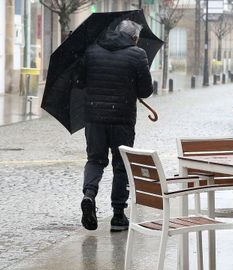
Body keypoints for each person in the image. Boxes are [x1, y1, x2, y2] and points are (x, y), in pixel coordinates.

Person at [80, 20, 153, 231]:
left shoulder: (92, 50)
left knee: (95, 160)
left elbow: (79, 81)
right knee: (121, 166)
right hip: (122, 120)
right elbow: (145, 91)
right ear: (133, 37)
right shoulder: (138, 54)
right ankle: (118, 215)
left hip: (94, 118)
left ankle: (89, 195)